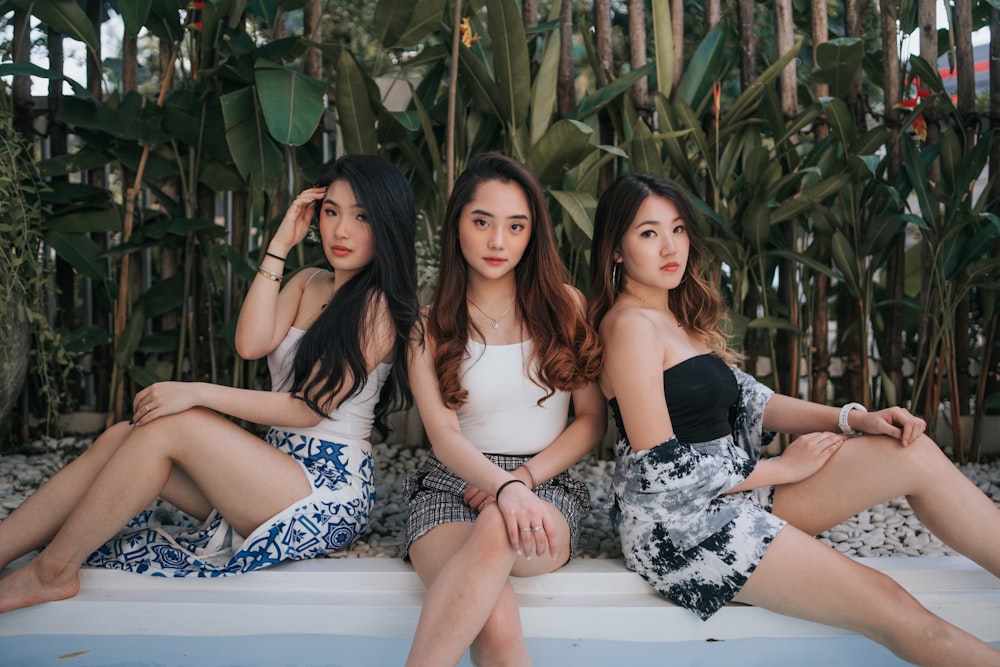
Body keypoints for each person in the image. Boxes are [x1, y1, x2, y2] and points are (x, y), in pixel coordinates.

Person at [587, 171, 1000, 666]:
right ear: (616, 250)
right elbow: (661, 466)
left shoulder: (673, 315)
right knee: (889, 604)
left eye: (677, 229)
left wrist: (853, 418)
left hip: (739, 493)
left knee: (910, 452)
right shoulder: (629, 326)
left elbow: (750, 400)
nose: (669, 246)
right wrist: (784, 468)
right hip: (681, 526)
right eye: (648, 233)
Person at [0, 154, 419, 612]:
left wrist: (196, 391)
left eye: (361, 216)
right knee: (123, 436)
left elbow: (306, 409)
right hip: (271, 471)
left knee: (173, 425)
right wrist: (280, 242)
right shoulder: (308, 281)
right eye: (331, 211)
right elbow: (250, 343)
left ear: (386, 223)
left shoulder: (378, 307)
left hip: (325, 493)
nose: (340, 230)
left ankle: (53, 572)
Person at [403, 154, 605, 666]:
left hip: (547, 485)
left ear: (532, 234)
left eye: (516, 226)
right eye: (482, 222)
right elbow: (444, 436)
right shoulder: (427, 326)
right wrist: (501, 484)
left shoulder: (566, 307)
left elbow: (590, 420)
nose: (498, 242)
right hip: (450, 484)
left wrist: (519, 482)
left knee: (498, 522)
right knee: (492, 618)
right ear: (457, 227)